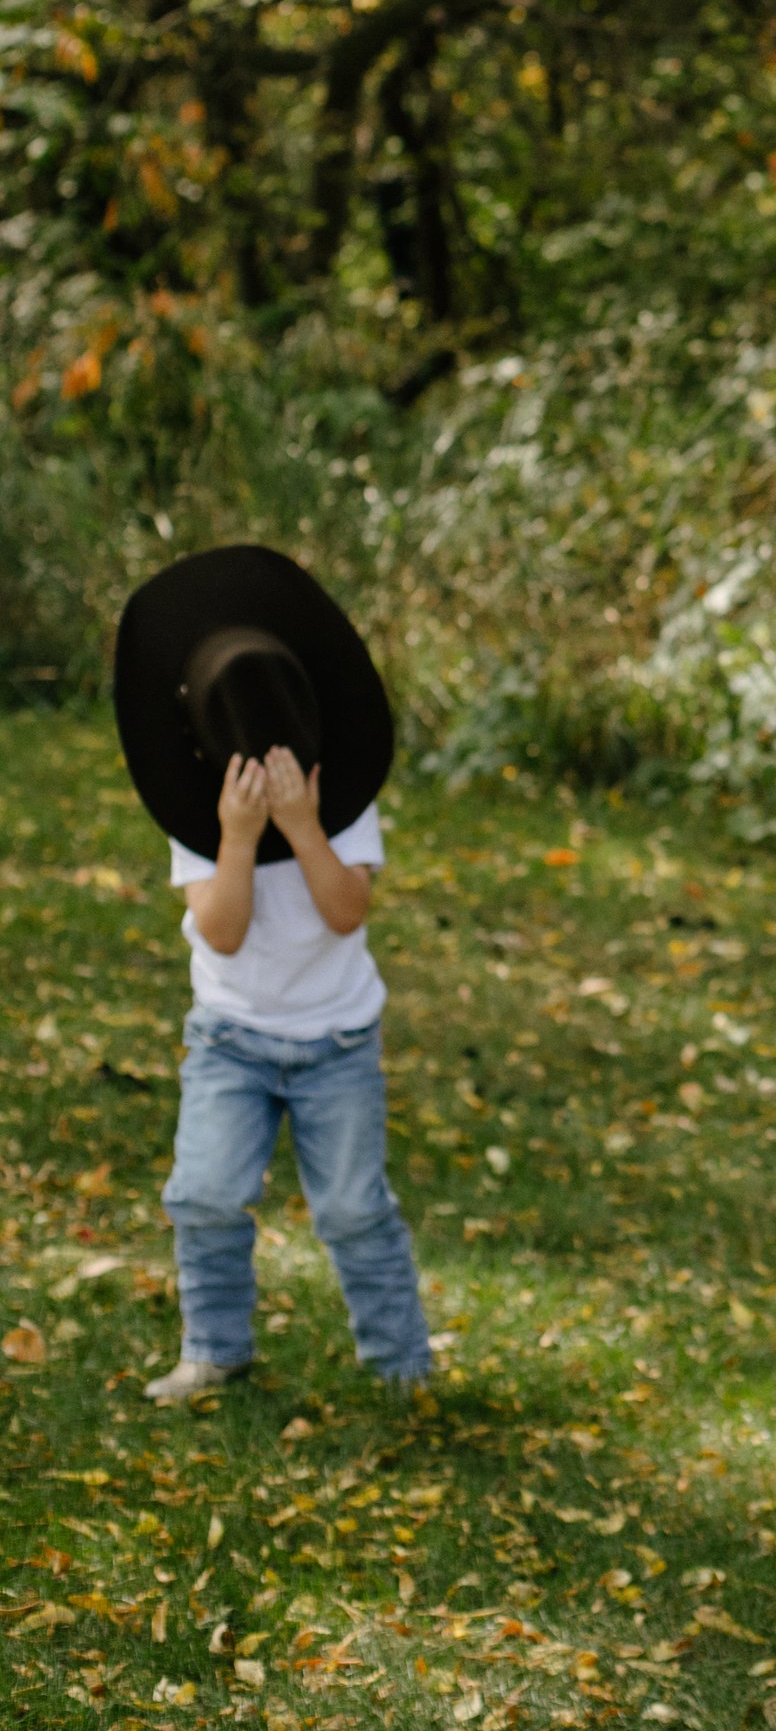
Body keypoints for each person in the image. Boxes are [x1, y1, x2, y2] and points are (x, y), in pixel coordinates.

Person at [111, 546, 432, 1403]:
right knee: (206, 1196)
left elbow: (345, 910)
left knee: (355, 1211)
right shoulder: (194, 812)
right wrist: (242, 839)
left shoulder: (345, 798)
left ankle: (401, 1362)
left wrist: (303, 823)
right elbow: (221, 931)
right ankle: (215, 1348)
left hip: (337, 1040)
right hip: (229, 1039)